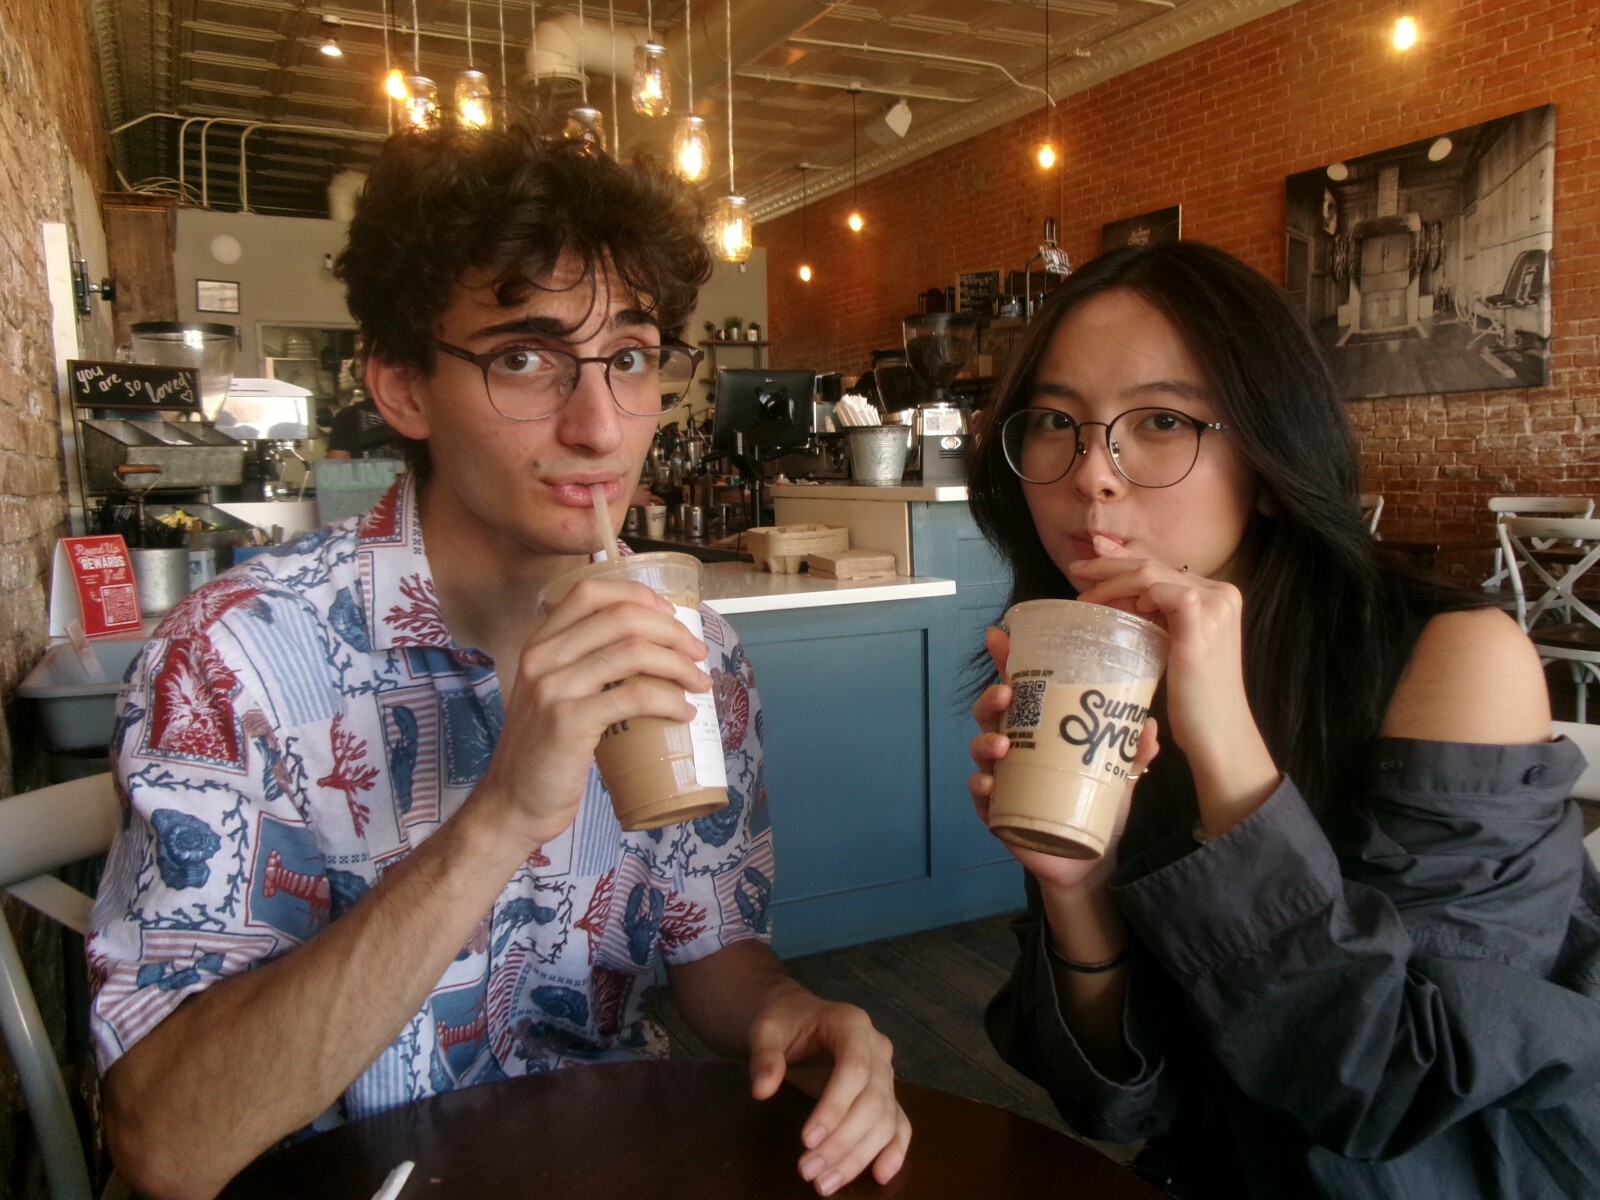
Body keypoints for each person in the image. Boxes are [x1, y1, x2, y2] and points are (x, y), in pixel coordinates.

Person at [88, 126, 909, 1200]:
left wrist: (789, 1016)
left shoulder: (691, 649)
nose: (600, 428)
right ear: (402, 386)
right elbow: (168, 1145)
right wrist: (504, 813)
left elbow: (711, 951)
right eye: (524, 357)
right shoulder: (235, 658)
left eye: (630, 357)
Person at [964, 241, 1599, 1198]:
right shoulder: (1102, 665)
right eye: (1057, 421)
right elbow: (1120, 1107)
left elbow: (1393, 1088)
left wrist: (1224, 740)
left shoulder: (1457, 657)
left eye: (1163, 420)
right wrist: (1077, 885)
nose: (1092, 473)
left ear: (1268, 460)